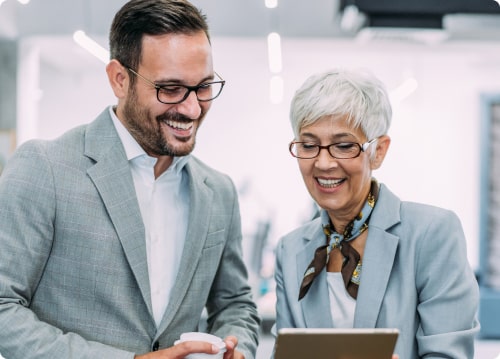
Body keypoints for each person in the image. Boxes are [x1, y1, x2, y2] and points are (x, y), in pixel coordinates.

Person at [0, 1, 260, 358]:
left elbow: (235, 304)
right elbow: (3, 308)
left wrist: (237, 346)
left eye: (203, 87)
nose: (192, 108)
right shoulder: (44, 168)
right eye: (170, 88)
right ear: (119, 79)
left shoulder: (218, 192)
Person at [273, 68, 480, 358]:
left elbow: (450, 353)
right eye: (309, 145)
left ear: (379, 151)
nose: (323, 163)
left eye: (344, 146)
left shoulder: (432, 235)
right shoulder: (291, 250)